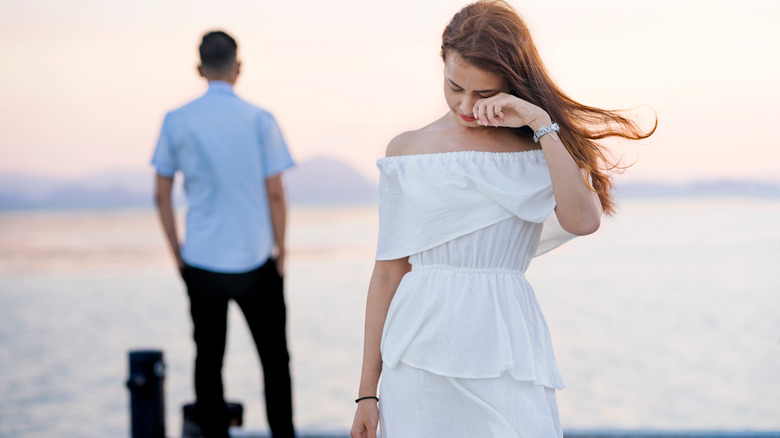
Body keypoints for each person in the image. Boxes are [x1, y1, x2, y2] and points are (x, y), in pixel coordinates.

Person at [350, 1, 655, 437]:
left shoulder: (537, 149)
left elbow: (584, 220)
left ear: (512, 84)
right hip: (417, 352)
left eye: (485, 93)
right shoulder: (408, 150)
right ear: (442, 63)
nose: (467, 105)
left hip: (508, 349)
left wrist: (541, 123)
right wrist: (367, 394)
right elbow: (388, 273)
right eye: (455, 87)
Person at [152, 30, 296, 438]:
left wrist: (177, 252)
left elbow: (161, 194)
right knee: (274, 360)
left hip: (200, 259)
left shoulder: (176, 120)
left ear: (200, 68)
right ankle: (283, 435)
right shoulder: (259, 119)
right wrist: (281, 249)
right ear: (239, 66)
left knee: (208, 359)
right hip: (257, 259)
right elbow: (276, 192)